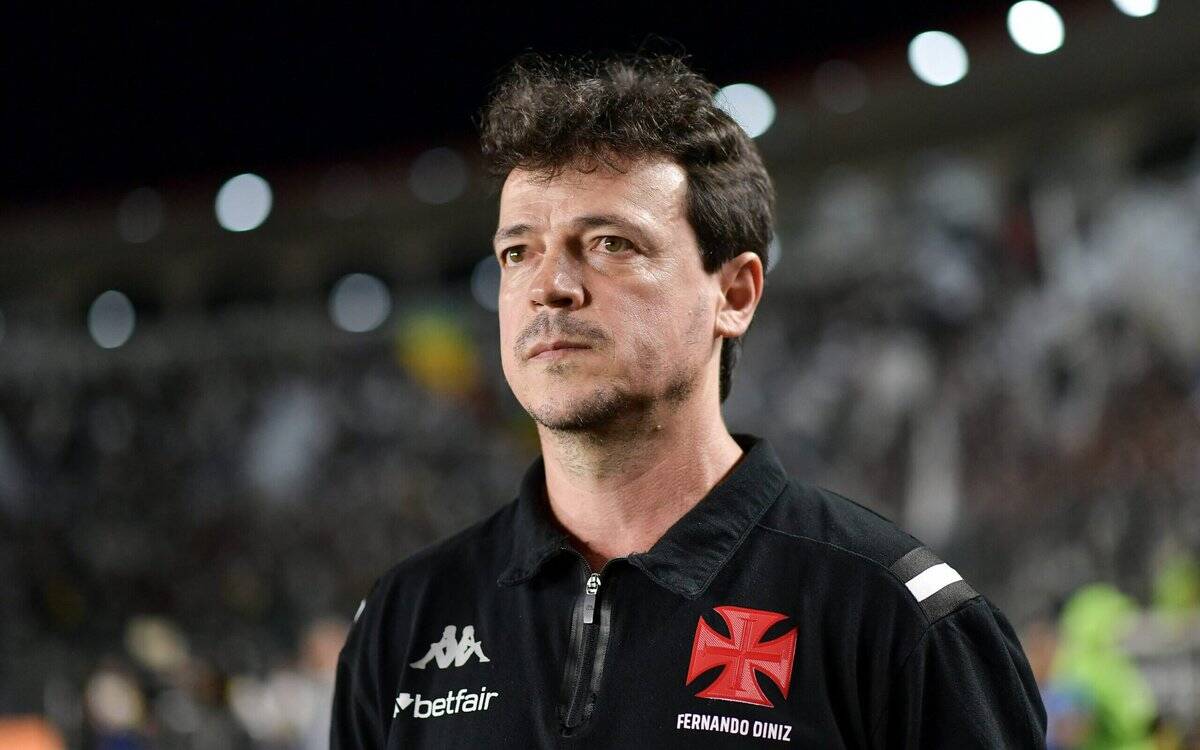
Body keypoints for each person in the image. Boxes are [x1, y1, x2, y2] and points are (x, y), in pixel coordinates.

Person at [331, 52, 1047, 748]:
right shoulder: (406, 618)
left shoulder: (896, 617)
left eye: (610, 243)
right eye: (519, 252)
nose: (548, 286)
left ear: (734, 294)